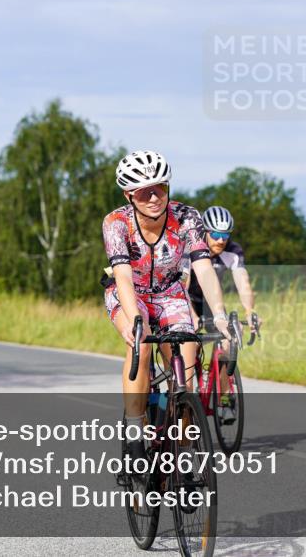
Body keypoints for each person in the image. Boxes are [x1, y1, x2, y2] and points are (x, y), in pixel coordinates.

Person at [102, 150, 232, 463]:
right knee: (141, 347)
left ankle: (184, 456)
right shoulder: (116, 223)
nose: (154, 198)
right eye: (145, 192)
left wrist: (221, 315)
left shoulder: (187, 217)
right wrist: (137, 320)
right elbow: (122, 276)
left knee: (185, 375)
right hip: (129, 293)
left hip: (170, 293)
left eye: (160, 188)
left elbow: (202, 267)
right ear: (129, 195)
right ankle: (135, 430)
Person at [182, 206, 260, 420]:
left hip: (213, 305)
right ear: (204, 232)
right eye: (215, 234)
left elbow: (243, 283)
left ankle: (225, 397)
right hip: (187, 303)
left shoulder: (232, 252)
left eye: (225, 235)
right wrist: (193, 317)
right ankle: (188, 392)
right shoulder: (192, 249)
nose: (220, 240)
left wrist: (250, 310)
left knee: (227, 343)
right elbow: (182, 286)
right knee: (190, 346)